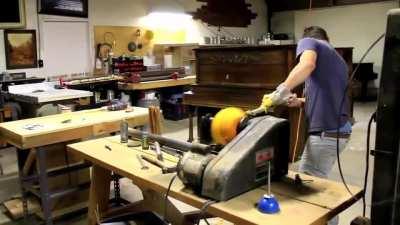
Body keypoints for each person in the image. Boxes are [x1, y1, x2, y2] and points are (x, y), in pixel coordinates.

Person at [259, 26, 352, 225]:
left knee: (309, 188)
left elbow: (307, 64)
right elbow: (330, 98)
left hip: (327, 134)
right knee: (318, 183)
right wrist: (300, 101)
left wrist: (280, 91)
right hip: (340, 130)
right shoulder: (339, 60)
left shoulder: (310, 42)